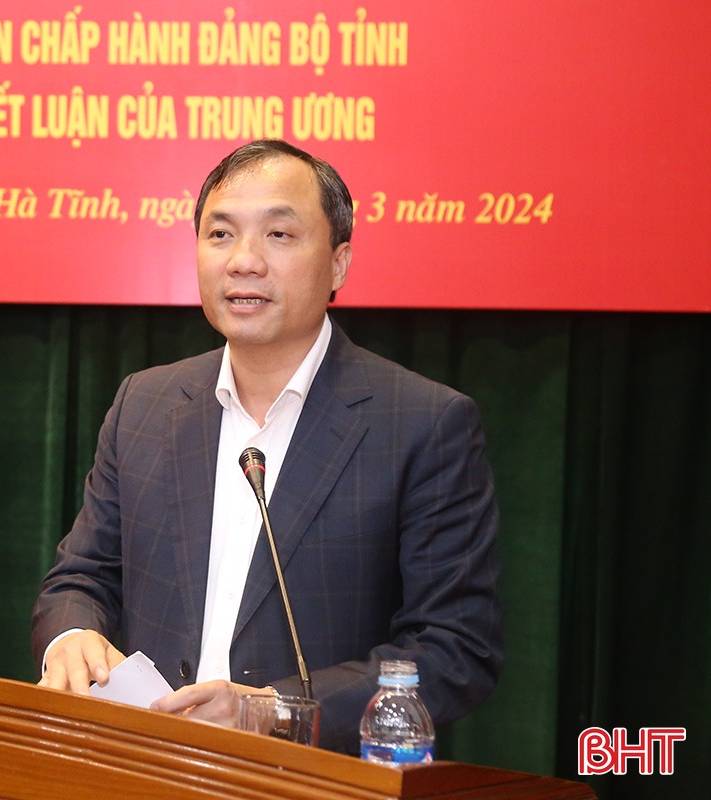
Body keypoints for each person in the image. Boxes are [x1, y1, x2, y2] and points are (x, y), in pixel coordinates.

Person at [31, 139, 502, 753]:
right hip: (144, 767)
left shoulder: (421, 423)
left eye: (278, 235)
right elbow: (80, 579)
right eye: (220, 234)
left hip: (306, 778)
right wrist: (70, 636)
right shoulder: (144, 404)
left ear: (338, 264)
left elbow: (455, 649)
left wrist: (272, 712)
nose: (244, 261)